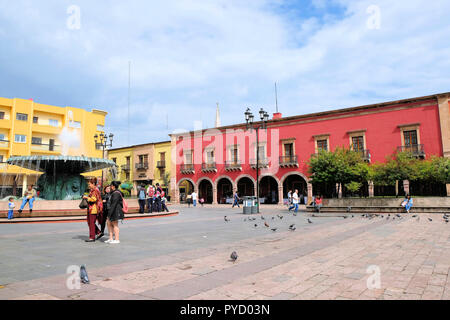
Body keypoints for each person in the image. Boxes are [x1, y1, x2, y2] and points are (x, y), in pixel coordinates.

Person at [83, 178, 103, 242]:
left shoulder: (95, 190)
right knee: (90, 222)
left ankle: (92, 237)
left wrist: (86, 197)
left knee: (91, 223)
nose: (89, 185)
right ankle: (98, 232)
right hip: (91, 208)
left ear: (93, 184)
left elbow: (93, 199)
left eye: (89, 184)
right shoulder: (93, 190)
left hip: (93, 208)